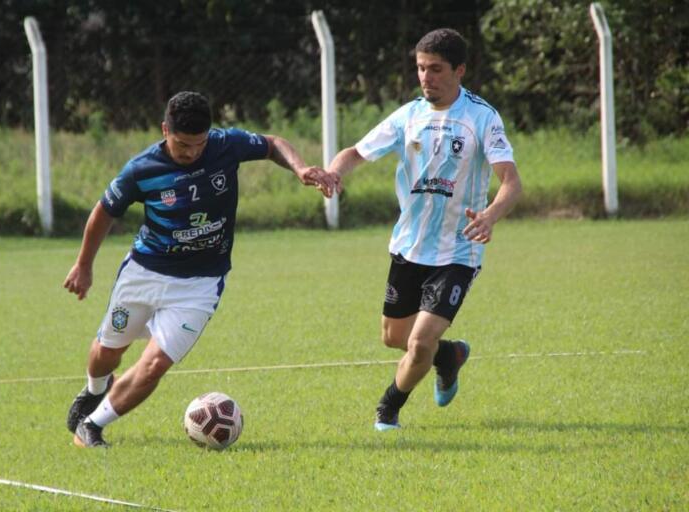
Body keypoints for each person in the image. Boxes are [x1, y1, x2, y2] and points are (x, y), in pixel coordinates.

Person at [63, 91, 337, 447]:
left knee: (156, 364)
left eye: (199, 144)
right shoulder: (141, 169)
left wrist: (300, 167)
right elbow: (103, 212)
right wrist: (84, 265)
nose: (192, 152)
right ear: (165, 130)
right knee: (109, 350)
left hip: (200, 284)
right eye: (182, 145)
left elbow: (272, 144)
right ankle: (94, 389)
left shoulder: (226, 146)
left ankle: (92, 426)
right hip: (145, 274)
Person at [323, 28, 522, 430]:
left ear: (459, 70)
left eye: (435, 69)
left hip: (458, 252)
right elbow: (355, 153)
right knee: (394, 338)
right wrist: (333, 172)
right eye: (420, 68)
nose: (425, 77)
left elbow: (510, 181)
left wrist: (490, 215)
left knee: (417, 343)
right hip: (409, 246)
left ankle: (388, 410)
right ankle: (449, 356)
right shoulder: (409, 115)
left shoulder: (481, 118)